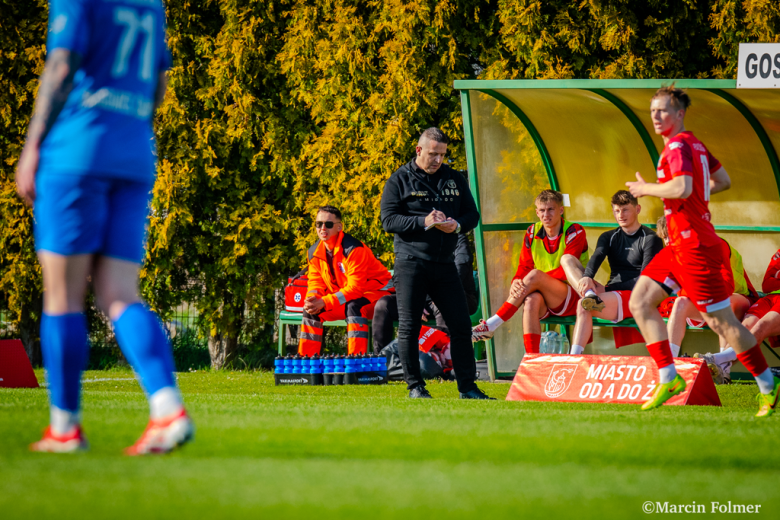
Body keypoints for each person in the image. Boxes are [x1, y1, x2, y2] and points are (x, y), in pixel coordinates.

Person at [15, 0, 193, 453]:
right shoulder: (150, 3)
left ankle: (65, 428)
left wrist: (33, 143)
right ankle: (167, 408)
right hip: (132, 152)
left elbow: (61, 64)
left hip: (78, 150)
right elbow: (157, 82)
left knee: (62, 294)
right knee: (119, 293)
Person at [626, 85, 779, 416]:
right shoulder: (694, 143)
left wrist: (645, 189)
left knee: (722, 323)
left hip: (694, 245)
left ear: (679, 114)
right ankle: (669, 376)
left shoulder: (678, 147)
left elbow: (682, 186)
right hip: (680, 243)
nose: (656, 116)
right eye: (652, 110)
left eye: (663, 110)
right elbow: (722, 181)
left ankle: (768, 382)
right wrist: (695, 197)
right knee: (639, 301)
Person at [380, 127, 492, 399]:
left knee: (461, 326)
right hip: (411, 262)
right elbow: (388, 221)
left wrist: (456, 225)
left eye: (442, 155)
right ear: (419, 150)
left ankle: (468, 387)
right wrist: (423, 222)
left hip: (444, 264)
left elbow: (471, 215)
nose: (438, 160)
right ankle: (415, 387)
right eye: (433, 154)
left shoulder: (454, 179)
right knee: (409, 326)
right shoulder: (399, 179)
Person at [471, 190, 589, 356]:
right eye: (541, 210)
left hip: (572, 296)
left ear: (561, 210)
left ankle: (491, 324)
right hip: (543, 295)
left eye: (551, 209)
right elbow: (524, 266)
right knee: (531, 300)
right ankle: (532, 359)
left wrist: (536, 280)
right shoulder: (532, 231)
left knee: (534, 276)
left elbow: (566, 272)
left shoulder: (575, 231)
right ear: (536, 212)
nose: (545, 214)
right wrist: (517, 280)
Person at [568, 190, 664, 354]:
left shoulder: (650, 238)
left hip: (634, 295)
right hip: (610, 293)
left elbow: (645, 281)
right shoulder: (608, 236)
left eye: (625, 209)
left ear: (638, 209)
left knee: (583, 305)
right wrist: (587, 278)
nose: (620, 215)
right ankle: (589, 293)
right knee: (568, 260)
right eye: (616, 210)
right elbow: (596, 258)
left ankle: (573, 357)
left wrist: (607, 289)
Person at [299, 206, 393, 356]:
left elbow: (356, 289)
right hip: (347, 298)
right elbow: (316, 282)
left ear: (339, 227)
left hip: (380, 295)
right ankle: (306, 362)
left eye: (328, 224)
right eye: (318, 224)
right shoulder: (314, 252)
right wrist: (313, 298)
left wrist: (325, 301)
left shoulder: (354, 249)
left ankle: (355, 360)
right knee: (311, 310)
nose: (323, 228)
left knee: (355, 305)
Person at [372, 232, 478, 352]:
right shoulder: (415, 236)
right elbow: (401, 274)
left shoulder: (456, 236)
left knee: (443, 299)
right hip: (422, 299)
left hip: (459, 297)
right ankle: (381, 360)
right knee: (384, 304)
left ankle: (442, 360)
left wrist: (429, 294)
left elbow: (460, 268)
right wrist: (415, 297)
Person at [665, 238, 758, 366]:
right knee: (680, 302)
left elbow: (727, 288)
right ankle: (669, 364)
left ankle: (722, 368)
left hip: (742, 298)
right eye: (665, 238)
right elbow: (679, 290)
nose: (668, 242)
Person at [697, 248, 780, 383]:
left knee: (760, 327)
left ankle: (716, 359)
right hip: (770, 298)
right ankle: (722, 366)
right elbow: (767, 285)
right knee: (746, 326)